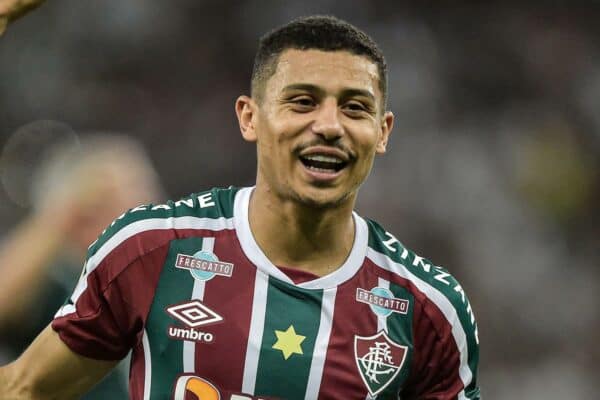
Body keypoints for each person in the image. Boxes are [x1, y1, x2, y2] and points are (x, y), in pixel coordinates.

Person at [0, 15, 481, 400]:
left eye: (355, 107)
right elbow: (26, 388)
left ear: (383, 132)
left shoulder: (427, 309)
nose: (330, 125)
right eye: (302, 102)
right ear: (250, 117)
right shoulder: (150, 249)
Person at [0, 134, 163, 399]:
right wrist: (60, 216)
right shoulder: (58, 284)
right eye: (121, 198)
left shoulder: (164, 285)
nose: (147, 206)